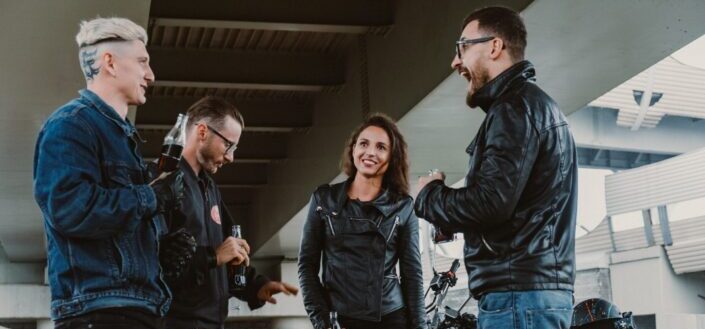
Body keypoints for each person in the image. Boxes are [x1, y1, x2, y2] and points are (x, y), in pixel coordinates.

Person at [414, 6, 578, 329]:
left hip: (517, 296)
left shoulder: (513, 108)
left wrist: (428, 195)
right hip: (533, 295)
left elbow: (491, 203)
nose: (455, 62)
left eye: (462, 48)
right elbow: (510, 208)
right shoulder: (534, 106)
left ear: (494, 46)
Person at [33, 17, 184, 328]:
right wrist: (149, 198)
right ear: (110, 63)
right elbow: (70, 209)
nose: (151, 75)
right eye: (143, 61)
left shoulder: (122, 138)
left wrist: (160, 247)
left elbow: (118, 227)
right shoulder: (71, 125)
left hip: (135, 308)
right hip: (99, 311)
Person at [158, 96, 299, 329]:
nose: (231, 157)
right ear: (202, 131)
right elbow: (157, 264)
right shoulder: (163, 184)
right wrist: (214, 256)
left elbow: (229, 254)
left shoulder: (210, 188)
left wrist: (256, 286)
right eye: (228, 145)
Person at [298, 114, 425, 329]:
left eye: (381, 147)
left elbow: (412, 274)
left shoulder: (403, 207)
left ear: (392, 157)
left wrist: (421, 327)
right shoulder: (323, 199)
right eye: (364, 144)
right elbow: (306, 266)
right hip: (340, 319)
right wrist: (322, 321)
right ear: (353, 149)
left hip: (391, 318)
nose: (370, 153)